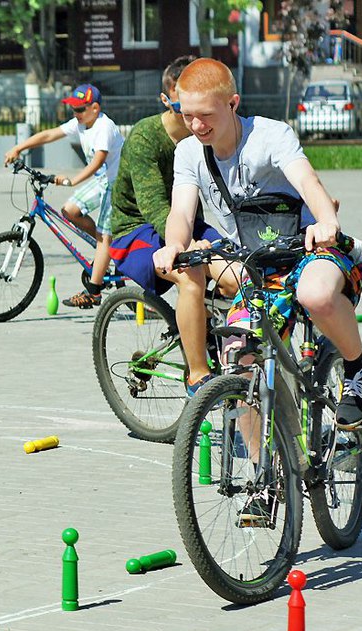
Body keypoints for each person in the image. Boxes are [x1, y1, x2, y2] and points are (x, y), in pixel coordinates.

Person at [152, 58, 362, 429]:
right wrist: (174, 244)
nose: (196, 125)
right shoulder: (188, 153)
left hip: (311, 249)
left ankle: (356, 366)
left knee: (315, 295)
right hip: (259, 267)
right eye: (187, 115)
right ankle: (265, 467)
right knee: (239, 362)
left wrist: (327, 223)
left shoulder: (270, 135)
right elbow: (182, 212)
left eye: (205, 115)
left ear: (233, 103)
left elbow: (308, 181)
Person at [107, 55, 238, 395]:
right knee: (190, 273)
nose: (194, 119)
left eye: (203, 109)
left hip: (187, 223)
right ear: (168, 99)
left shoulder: (210, 134)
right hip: (135, 230)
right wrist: (186, 245)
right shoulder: (146, 137)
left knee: (238, 276)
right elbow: (154, 205)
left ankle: (220, 344)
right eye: (184, 107)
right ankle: (198, 377)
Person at [5, 84, 124, 308]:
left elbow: (98, 160)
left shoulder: (104, 127)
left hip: (119, 182)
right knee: (70, 211)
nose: (75, 113)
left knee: (104, 235)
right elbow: (50, 134)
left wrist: (73, 180)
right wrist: (19, 148)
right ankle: (105, 250)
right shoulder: (81, 123)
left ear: (95, 108)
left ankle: (94, 291)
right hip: (102, 180)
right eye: (73, 109)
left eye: (79, 109)